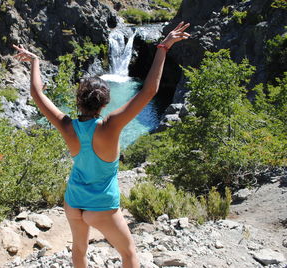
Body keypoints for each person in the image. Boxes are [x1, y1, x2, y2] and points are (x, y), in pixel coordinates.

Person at [13, 21, 190, 268]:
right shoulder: (111, 125)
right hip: (102, 206)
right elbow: (149, 91)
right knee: (128, 254)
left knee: (79, 250)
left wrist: (34, 62)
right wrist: (163, 47)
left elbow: (37, 93)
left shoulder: (66, 125)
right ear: (105, 103)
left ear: (78, 101)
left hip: (74, 201)